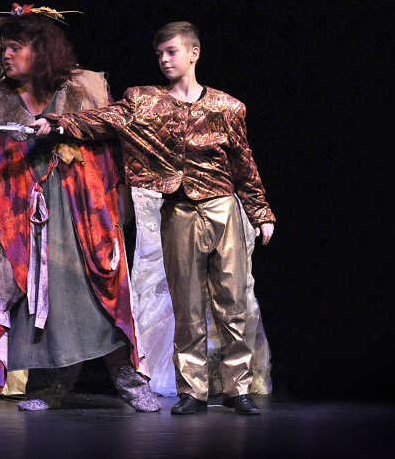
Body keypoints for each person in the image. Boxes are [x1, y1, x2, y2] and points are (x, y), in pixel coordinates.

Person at [34, 21, 275, 415]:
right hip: (178, 210)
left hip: (221, 206)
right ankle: (192, 390)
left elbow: (243, 163)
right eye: (160, 53)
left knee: (232, 302)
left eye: (172, 52)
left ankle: (238, 388)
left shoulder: (227, 107)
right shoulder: (143, 101)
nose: (164, 60)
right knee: (187, 305)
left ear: (194, 53)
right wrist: (58, 123)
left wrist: (260, 212)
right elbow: (101, 119)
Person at [0, 6, 161, 412]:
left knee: (97, 293)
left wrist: (121, 194)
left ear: (41, 50)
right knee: (41, 298)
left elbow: (114, 138)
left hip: (81, 209)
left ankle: (128, 377)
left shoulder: (82, 89)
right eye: (4, 48)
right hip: (28, 217)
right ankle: (48, 384)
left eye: (15, 47)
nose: (6, 55)